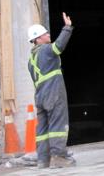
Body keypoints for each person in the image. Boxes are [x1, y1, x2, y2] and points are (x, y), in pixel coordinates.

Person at [27, 12, 76, 169]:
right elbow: (59, 46)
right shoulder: (46, 50)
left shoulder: (31, 59)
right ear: (38, 39)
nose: (48, 34)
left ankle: (43, 160)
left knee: (43, 129)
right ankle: (59, 157)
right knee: (57, 125)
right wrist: (67, 28)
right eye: (45, 33)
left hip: (40, 96)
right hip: (53, 94)